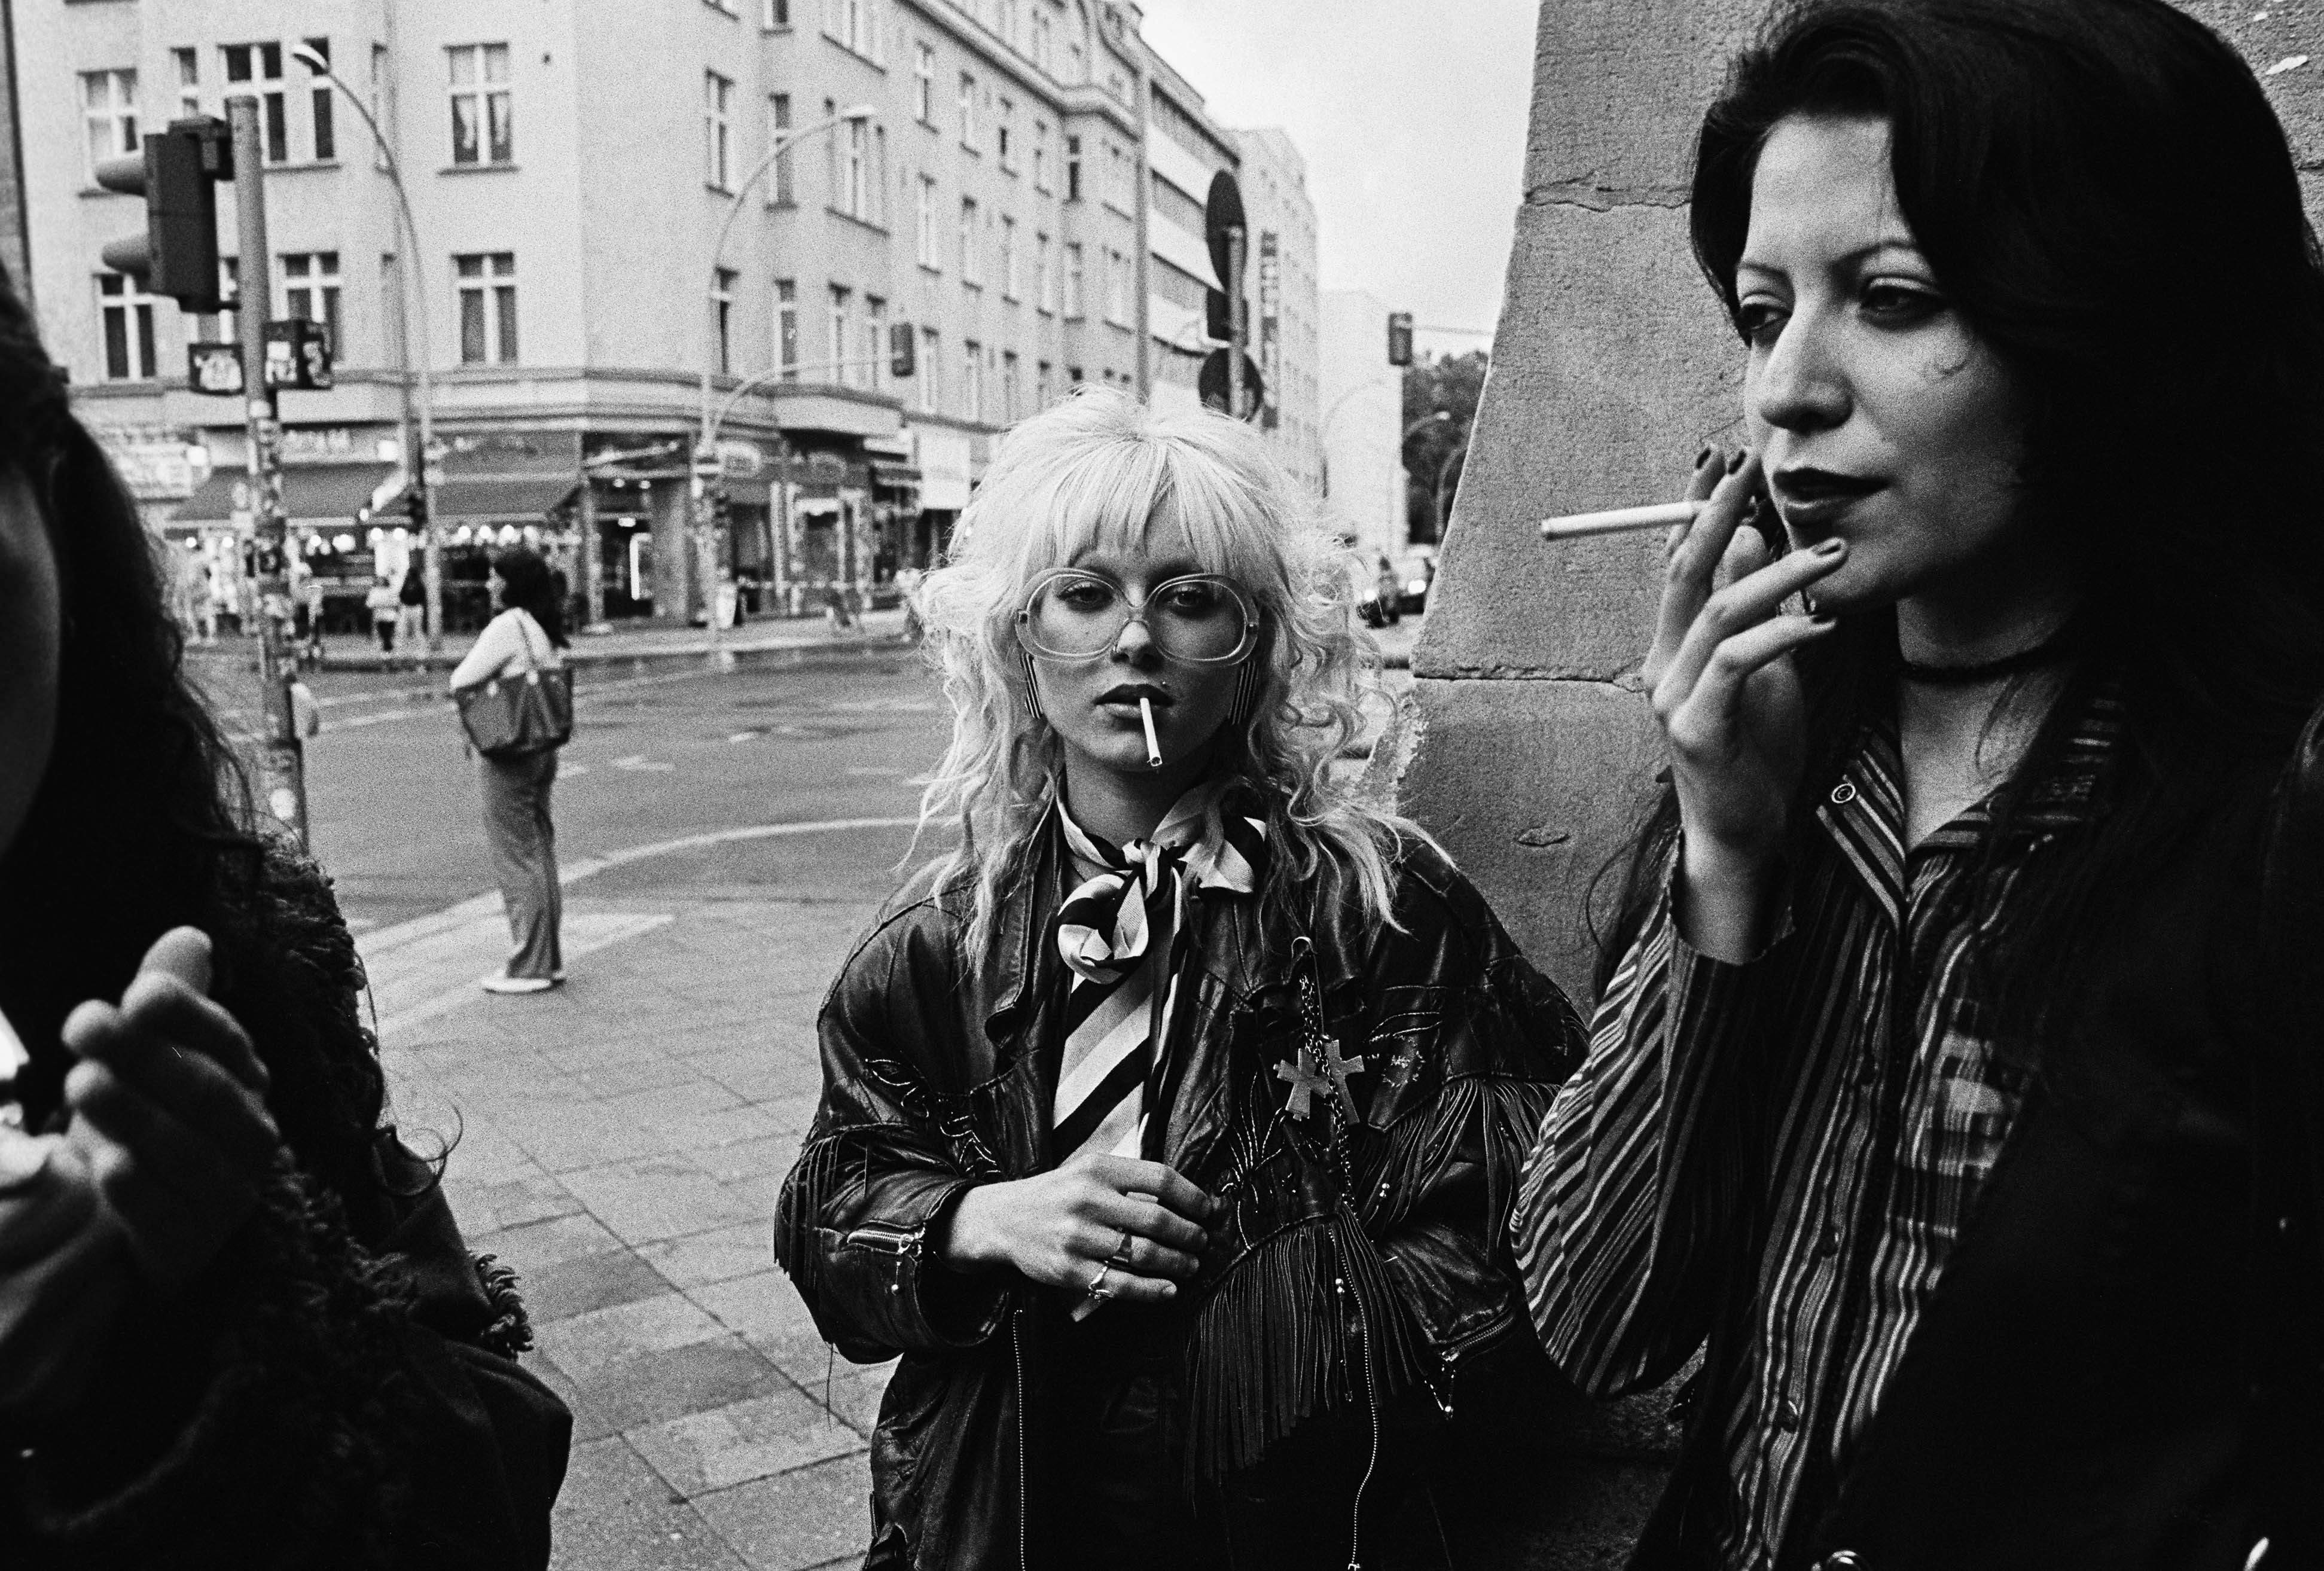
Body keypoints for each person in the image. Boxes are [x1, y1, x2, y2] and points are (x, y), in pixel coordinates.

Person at [1510, 2, 2324, 1567]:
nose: (1784, 391)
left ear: (2103, 330)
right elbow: (1595, 1313)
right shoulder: (1786, 761)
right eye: (1760, 315)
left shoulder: (2264, 807)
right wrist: (1722, 860)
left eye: (1888, 301)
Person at [774, 389, 1585, 1570]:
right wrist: (973, 1217)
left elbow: (1528, 1202)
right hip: (1003, 1515)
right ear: (1021, 637)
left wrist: (1292, 1342)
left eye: (1187, 596)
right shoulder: (933, 948)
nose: (1135, 639)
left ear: (1253, 640)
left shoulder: (1385, 908)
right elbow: (831, 1208)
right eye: (1085, 594)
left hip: (1295, 1522)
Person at [0, 270, 571, 1565]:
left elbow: (487, 1475)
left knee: (525, 866)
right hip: (531, 768)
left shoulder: (215, 956)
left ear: (46, 508)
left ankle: (534, 955)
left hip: (507, 771)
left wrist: (222, 1287)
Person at [450, 550, 569, 996]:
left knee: (517, 856)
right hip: (541, 748)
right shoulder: (541, 624)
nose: (489, 585)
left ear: (513, 583)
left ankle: (529, 964)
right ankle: (547, 957)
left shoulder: (509, 625)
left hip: (509, 751)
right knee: (539, 851)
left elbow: (461, 680)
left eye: (496, 578)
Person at [365, 573, 400, 657]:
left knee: (388, 635)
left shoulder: (391, 591)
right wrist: (379, 604)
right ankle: (386, 652)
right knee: (382, 634)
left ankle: (388, 652)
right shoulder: (374, 591)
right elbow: (369, 604)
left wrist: (385, 604)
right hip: (379, 616)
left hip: (390, 616)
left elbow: (396, 602)